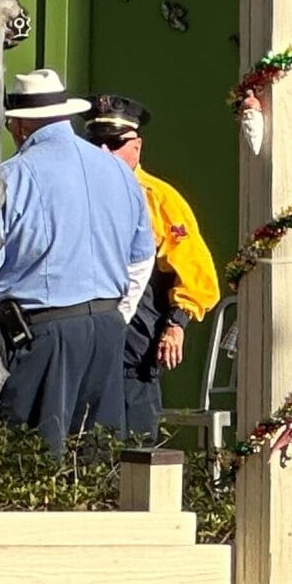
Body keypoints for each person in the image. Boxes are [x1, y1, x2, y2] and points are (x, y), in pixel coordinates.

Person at [0, 67, 154, 454]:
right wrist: (119, 312)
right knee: (96, 459)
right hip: (107, 326)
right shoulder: (119, 172)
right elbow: (141, 257)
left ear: (17, 126)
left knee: (34, 464)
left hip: (44, 330)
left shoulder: (14, 175)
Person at [85, 92, 220, 439]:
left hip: (135, 338)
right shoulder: (75, 189)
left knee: (137, 437)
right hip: (81, 330)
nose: (104, 152)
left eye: (115, 143)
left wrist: (177, 324)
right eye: (95, 141)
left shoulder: (158, 198)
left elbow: (195, 272)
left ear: (137, 146)